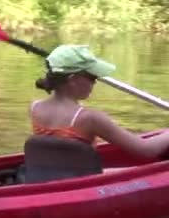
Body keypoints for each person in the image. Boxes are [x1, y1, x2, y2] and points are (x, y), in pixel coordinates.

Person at [30, 44, 169, 158]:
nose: (95, 83)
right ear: (72, 80)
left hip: (50, 175)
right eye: (92, 77)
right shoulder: (90, 118)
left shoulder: (35, 108)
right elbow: (146, 150)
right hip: (80, 182)